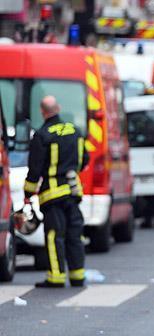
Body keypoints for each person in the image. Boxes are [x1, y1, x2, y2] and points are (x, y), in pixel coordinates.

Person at [21, 96, 88, 288]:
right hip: (73, 192)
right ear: (58, 108)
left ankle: (56, 277)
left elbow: (34, 170)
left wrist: (27, 194)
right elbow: (85, 159)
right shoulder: (75, 131)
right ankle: (77, 276)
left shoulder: (42, 135)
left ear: (43, 112)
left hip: (52, 196)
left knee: (54, 236)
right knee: (75, 234)